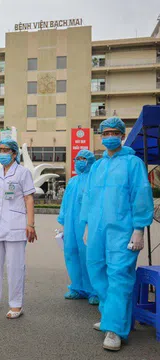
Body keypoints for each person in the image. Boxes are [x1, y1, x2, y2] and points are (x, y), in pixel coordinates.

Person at [81, 117, 153, 351]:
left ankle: (115, 330)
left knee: (120, 276)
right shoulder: (98, 167)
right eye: (105, 132)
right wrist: (88, 226)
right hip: (98, 230)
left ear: (122, 136)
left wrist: (139, 229)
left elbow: (141, 196)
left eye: (114, 132)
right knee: (96, 270)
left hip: (123, 231)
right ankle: (111, 315)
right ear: (100, 136)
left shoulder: (133, 163)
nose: (109, 136)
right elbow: (89, 198)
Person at [0, 139, 37, 319]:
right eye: (0, 150)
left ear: (14, 153)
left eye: (5, 150)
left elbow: (29, 199)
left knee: (15, 266)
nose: (2, 153)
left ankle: (16, 304)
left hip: (15, 224)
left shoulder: (23, 173)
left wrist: (31, 223)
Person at [57, 150, 98, 304]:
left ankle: (94, 290)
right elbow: (65, 203)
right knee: (71, 253)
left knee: (89, 256)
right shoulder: (73, 182)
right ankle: (77, 287)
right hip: (70, 224)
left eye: (84, 159)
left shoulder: (95, 180)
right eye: (78, 158)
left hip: (87, 224)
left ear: (91, 161)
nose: (80, 161)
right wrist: (62, 221)